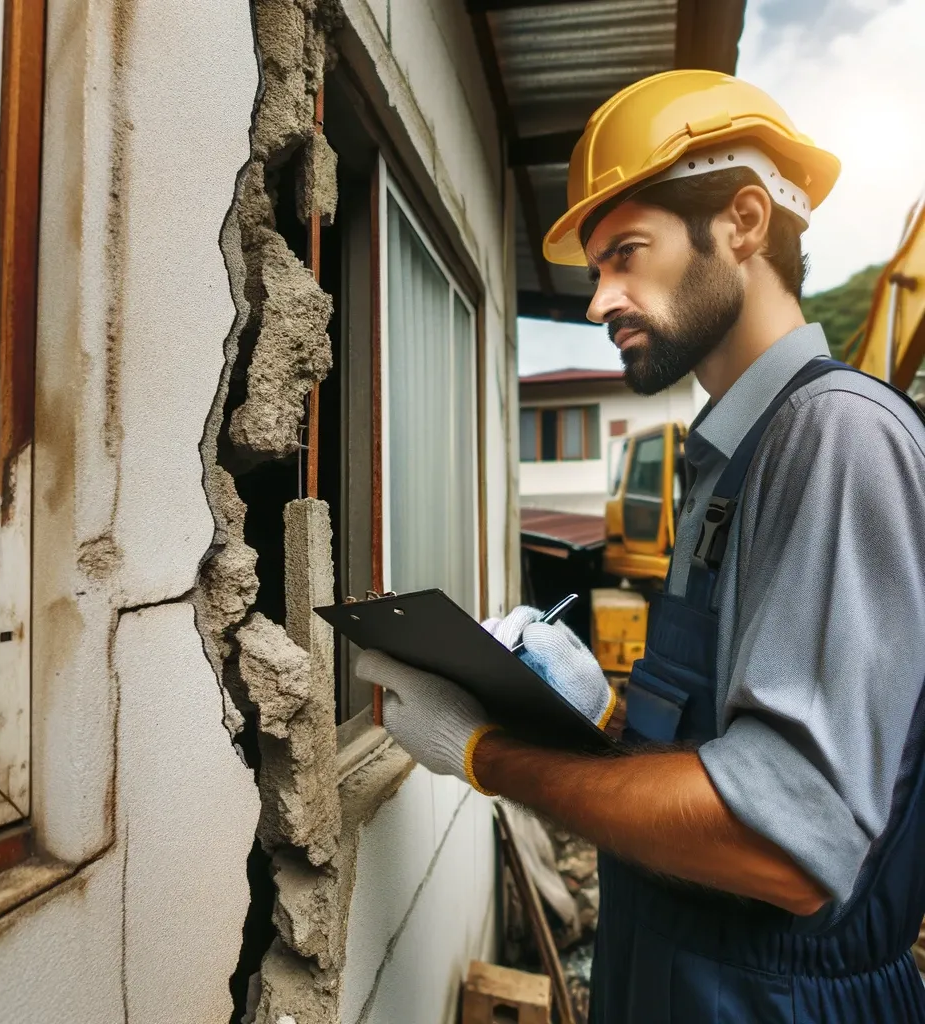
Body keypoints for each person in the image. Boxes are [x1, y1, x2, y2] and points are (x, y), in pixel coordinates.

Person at [356, 70, 925, 1023]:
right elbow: (731, 741)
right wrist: (599, 717)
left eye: (626, 254)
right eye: (595, 271)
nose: (597, 300)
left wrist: (485, 751)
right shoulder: (726, 458)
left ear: (743, 222)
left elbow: (783, 843)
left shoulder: (834, 438)